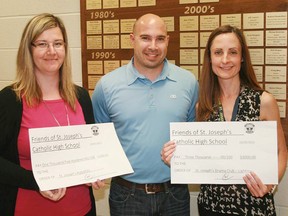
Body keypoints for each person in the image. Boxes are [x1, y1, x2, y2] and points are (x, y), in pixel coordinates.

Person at [161, 25, 287, 215]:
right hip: (210, 206)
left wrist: (269, 185)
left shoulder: (263, 101)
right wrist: (177, 160)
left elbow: (281, 152)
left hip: (255, 205)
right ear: (210, 58)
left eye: (233, 52)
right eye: (218, 52)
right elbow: (200, 156)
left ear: (242, 57)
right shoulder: (202, 106)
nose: (225, 59)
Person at [91, 13, 198, 215]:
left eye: (160, 39)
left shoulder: (188, 82)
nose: (153, 46)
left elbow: (193, 135)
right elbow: (99, 141)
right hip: (127, 195)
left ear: (167, 41)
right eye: (145, 38)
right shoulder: (107, 86)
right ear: (132, 39)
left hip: (175, 194)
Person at [0, 13, 104, 216]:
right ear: (28, 50)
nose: (51, 51)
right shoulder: (10, 100)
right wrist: (36, 182)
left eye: (58, 43)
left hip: (81, 209)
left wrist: (96, 170)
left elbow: (92, 151)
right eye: (42, 44)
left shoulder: (81, 96)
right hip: (28, 209)